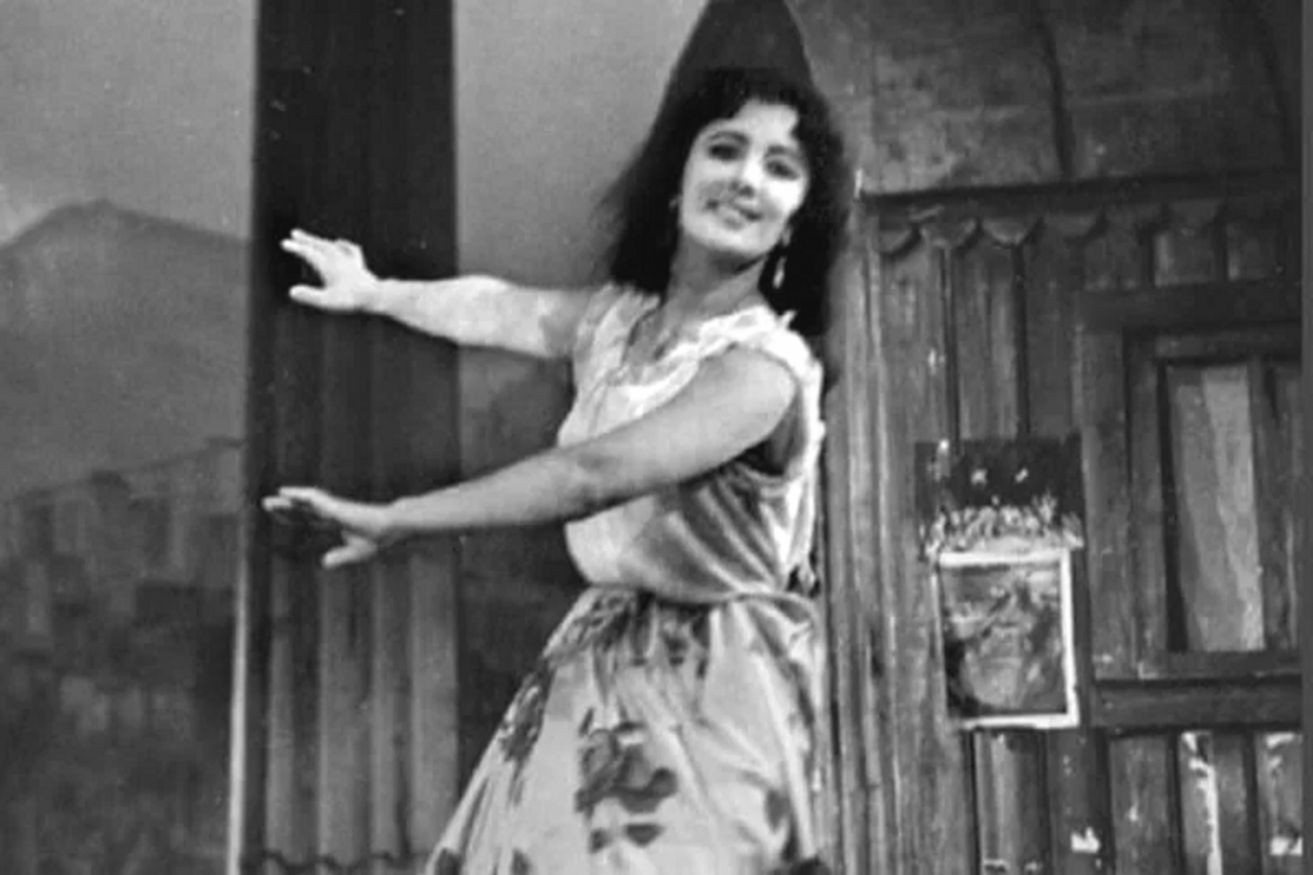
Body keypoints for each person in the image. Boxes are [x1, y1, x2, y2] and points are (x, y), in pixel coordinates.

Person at [264, 65, 851, 875]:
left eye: (779, 168)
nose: (746, 179)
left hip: (720, 685)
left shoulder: (763, 368)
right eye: (724, 149)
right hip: (600, 658)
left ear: (795, 220)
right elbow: (501, 307)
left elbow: (593, 473)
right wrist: (376, 292)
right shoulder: (616, 321)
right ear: (675, 180)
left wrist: (399, 517)